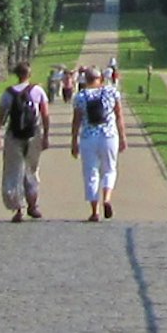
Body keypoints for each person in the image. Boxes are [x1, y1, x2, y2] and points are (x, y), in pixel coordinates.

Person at [0, 66, 48, 221]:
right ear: (29, 74)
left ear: (16, 75)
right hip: (33, 133)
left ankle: (18, 209)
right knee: (31, 169)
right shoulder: (37, 90)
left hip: (14, 134)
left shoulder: (8, 93)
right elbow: (45, 114)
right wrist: (45, 135)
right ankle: (33, 205)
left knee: (13, 170)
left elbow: (1, 115)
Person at [70, 71, 123, 221]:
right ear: (101, 79)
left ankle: (95, 211)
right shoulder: (111, 92)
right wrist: (123, 136)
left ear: (86, 79)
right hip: (109, 136)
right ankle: (106, 198)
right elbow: (119, 116)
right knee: (109, 170)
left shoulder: (81, 96)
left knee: (91, 173)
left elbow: (76, 121)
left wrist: (74, 141)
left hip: (88, 137)